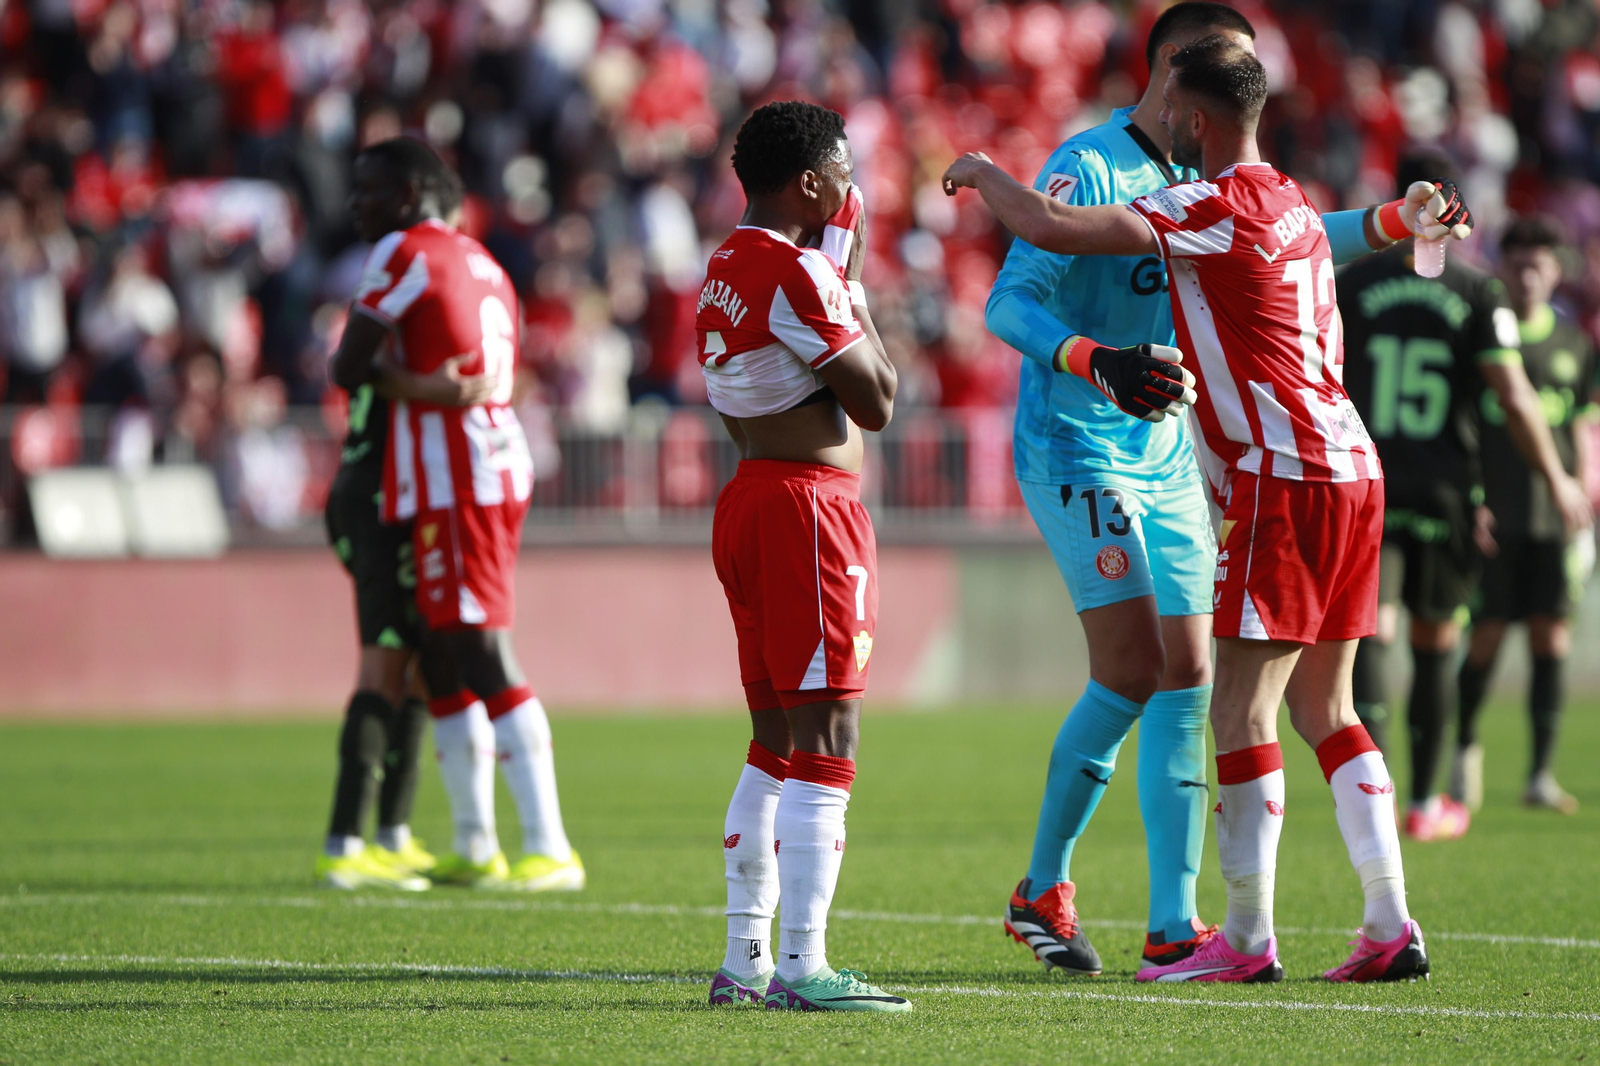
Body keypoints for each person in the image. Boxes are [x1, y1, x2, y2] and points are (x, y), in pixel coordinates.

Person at [943, 35, 1476, 983]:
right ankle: (1374, 922)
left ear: (1198, 110)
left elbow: (1058, 225)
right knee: (1280, 697)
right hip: (1307, 460)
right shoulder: (1235, 187)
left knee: (1224, 700)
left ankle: (1229, 936)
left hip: (1265, 470)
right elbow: (1014, 295)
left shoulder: (1205, 199)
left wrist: (983, 174)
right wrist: (1401, 218)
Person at [697, 101, 907, 1012]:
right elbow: (878, 402)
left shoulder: (721, 266)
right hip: (808, 512)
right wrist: (850, 284)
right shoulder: (800, 271)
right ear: (812, 182)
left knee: (774, 744)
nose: (853, 187)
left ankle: (745, 961)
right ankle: (802, 966)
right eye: (845, 172)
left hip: (749, 499)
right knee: (828, 738)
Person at [331, 137, 582, 892]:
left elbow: (348, 366)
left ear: (410, 195)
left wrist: (410, 385)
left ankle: (550, 846)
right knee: (442, 656)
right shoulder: (486, 263)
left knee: (480, 649)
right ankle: (475, 843)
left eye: (369, 190)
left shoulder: (406, 249)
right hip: (463, 470)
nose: (356, 206)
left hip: (461, 475)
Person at [1339, 177, 1592, 841]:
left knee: (1373, 632)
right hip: (1446, 491)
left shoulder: (1354, 283)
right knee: (1437, 639)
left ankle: (1373, 795)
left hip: (1366, 482)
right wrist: (1559, 477)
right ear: (1450, 219)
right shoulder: (1476, 290)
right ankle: (1426, 801)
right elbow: (1511, 393)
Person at [1453, 216, 1598, 815]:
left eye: (1538, 264)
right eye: (1517, 264)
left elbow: (1583, 425)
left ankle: (1540, 774)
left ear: (1557, 271)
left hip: (1554, 516)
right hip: (1496, 512)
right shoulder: (1481, 336)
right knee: (1486, 636)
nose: (1528, 275)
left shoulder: (1574, 344)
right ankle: (1463, 748)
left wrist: (1585, 488)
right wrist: (1473, 495)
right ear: (1502, 269)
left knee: (1551, 635)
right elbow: (1461, 423)